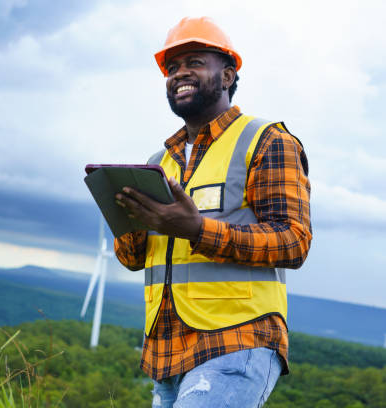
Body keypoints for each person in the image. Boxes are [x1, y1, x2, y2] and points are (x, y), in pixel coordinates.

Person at [113, 17, 311, 407]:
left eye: (195, 62)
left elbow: (294, 241)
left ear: (227, 75)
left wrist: (196, 229)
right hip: (165, 353)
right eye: (172, 68)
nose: (179, 73)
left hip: (236, 340)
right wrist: (124, 218)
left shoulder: (266, 140)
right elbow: (134, 259)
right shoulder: (158, 164)